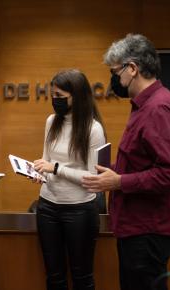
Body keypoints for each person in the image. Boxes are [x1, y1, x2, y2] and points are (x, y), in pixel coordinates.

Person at [82, 34, 170, 290]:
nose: (114, 80)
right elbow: (147, 163)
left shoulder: (158, 108)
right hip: (139, 227)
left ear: (132, 68)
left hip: (148, 230)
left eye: (115, 72)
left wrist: (119, 181)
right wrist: (116, 173)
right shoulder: (147, 106)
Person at [33, 69, 106, 290]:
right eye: (52, 95)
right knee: (54, 277)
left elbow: (94, 178)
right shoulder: (51, 121)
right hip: (47, 206)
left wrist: (55, 168)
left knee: (82, 277)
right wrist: (39, 172)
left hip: (80, 209)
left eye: (60, 96)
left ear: (77, 96)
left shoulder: (93, 129)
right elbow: (46, 160)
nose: (54, 100)